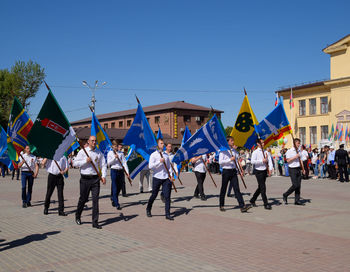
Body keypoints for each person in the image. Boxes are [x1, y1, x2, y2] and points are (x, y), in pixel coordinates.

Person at [74, 136, 107, 229]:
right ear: (88, 142)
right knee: (83, 199)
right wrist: (85, 161)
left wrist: (103, 176)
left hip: (95, 179)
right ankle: (78, 215)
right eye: (92, 141)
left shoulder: (98, 152)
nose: (94, 142)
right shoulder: (83, 151)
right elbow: (75, 163)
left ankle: (95, 221)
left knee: (95, 200)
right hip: (85, 179)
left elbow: (103, 164)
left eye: (95, 141)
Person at [218, 136, 251, 213]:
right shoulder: (223, 151)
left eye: (233, 140)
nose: (233, 142)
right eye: (231, 140)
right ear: (228, 142)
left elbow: (237, 162)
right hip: (226, 171)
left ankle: (242, 206)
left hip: (233, 172)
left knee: (237, 189)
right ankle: (221, 205)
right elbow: (220, 162)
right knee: (224, 188)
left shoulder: (235, 152)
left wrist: (240, 171)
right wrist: (230, 159)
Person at [146, 138, 174, 220]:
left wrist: (171, 175)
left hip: (166, 178)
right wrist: (159, 162)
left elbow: (169, 167)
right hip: (157, 177)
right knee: (154, 195)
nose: (163, 145)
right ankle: (148, 209)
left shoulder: (166, 155)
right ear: (157, 144)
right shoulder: (153, 155)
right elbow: (150, 166)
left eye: (163, 143)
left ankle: (167, 214)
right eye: (161, 143)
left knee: (167, 196)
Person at [249, 138, 274, 210]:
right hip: (258, 171)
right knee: (263, 187)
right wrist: (261, 161)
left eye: (263, 142)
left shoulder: (266, 151)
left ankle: (253, 200)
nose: (263, 144)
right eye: (262, 143)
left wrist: (270, 168)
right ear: (258, 144)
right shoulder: (255, 152)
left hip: (264, 171)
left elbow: (269, 160)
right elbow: (252, 162)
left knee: (260, 187)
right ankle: (266, 203)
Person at [282, 138, 306, 205]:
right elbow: (288, 160)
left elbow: (300, 160)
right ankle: (285, 195)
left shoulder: (299, 151)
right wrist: (295, 156)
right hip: (292, 169)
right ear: (294, 143)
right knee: (295, 185)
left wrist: (303, 169)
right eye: (298, 143)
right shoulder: (289, 151)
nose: (299, 145)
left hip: (298, 168)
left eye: (299, 143)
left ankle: (297, 200)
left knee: (298, 186)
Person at [107, 140, 130, 210]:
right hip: (114, 170)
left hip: (120, 171)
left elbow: (124, 163)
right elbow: (108, 163)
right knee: (114, 186)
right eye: (115, 146)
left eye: (117, 146)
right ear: (112, 146)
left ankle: (114, 197)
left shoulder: (121, 153)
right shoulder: (110, 153)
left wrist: (127, 172)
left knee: (120, 186)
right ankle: (117, 203)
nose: (116, 147)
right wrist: (114, 158)